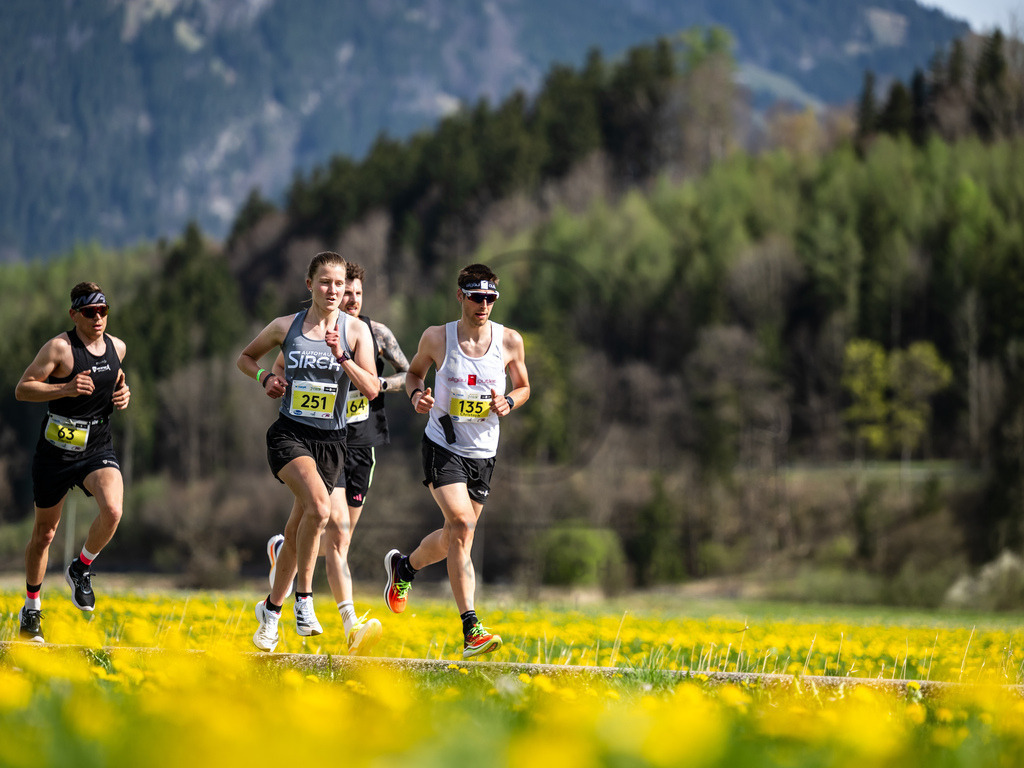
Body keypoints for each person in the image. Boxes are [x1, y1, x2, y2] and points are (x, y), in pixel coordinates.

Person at [383, 263, 530, 659]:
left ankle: (405, 568)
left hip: (483, 453)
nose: (484, 305)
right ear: (461, 296)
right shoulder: (437, 338)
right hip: (442, 446)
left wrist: (509, 400)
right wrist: (417, 397)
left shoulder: (510, 341)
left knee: (453, 539)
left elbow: (524, 386)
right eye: (477, 297)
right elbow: (414, 375)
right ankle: (471, 629)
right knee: (463, 525)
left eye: (490, 298)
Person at [265, 261, 411, 655]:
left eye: (354, 293)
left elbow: (408, 374)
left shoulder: (371, 333)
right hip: (313, 435)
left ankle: (286, 553)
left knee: (335, 536)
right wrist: (272, 380)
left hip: (358, 440)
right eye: (341, 291)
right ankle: (347, 622)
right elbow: (278, 363)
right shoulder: (308, 330)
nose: (347, 298)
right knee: (333, 524)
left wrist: (378, 382)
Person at [237, 251, 379, 653]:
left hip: (332, 443)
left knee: (296, 533)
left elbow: (371, 389)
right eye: (324, 282)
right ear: (309, 285)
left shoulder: (355, 333)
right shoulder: (287, 326)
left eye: (339, 283)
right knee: (320, 509)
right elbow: (245, 358)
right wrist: (266, 377)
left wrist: (342, 357)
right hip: (289, 435)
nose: (332, 290)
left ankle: (270, 612)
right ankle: (304, 600)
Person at [14, 282, 131, 642]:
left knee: (112, 510)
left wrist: (124, 392)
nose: (98, 318)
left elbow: (116, 378)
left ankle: (80, 567)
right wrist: (64, 389)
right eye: (89, 312)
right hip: (56, 452)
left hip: (97, 445)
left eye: (103, 311)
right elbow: (23, 388)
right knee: (44, 534)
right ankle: (32, 608)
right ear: (74, 314)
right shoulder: (60, 349)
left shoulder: (118, 347)